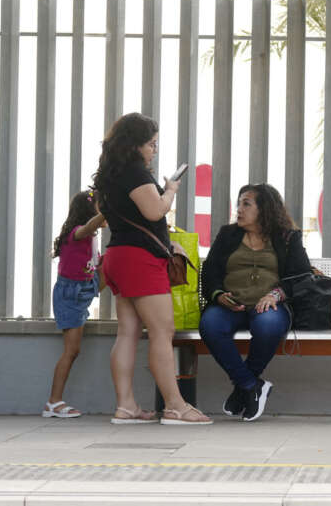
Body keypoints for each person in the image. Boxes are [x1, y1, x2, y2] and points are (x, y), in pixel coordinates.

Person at [93, 112, 211, 425]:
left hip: (118, 256)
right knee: (162, 332)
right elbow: (154, 210)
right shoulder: (135, 173)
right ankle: (175, 406)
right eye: (151, 144)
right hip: (139, 260)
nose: (153, 151)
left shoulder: (110, 176)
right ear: (135, 145)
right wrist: (170, 189)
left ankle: (127, 405)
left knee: (128, 332)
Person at [199, 183, 312, 421]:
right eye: (239, 203)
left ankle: (244, 389)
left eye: (246, 204)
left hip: (269, 305)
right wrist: (219, 295)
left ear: (264, 209)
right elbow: (209, 272)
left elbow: (301, 277)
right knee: (210, 326)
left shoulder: (287, 238)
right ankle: (251, 385)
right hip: (231, 305)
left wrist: (275, 295)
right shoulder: (227, 234)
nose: (239, 209)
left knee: (268, 326)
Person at [43, 190, 106, 418]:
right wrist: (109, 208)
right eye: (101, 206)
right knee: (71, 350)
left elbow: (96, 268)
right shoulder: (76, 233)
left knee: (115, 261)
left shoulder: (92, 239)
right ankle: (53, 402)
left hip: (85, 288)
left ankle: (54, 401)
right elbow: (88, 227)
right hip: (71, 293)